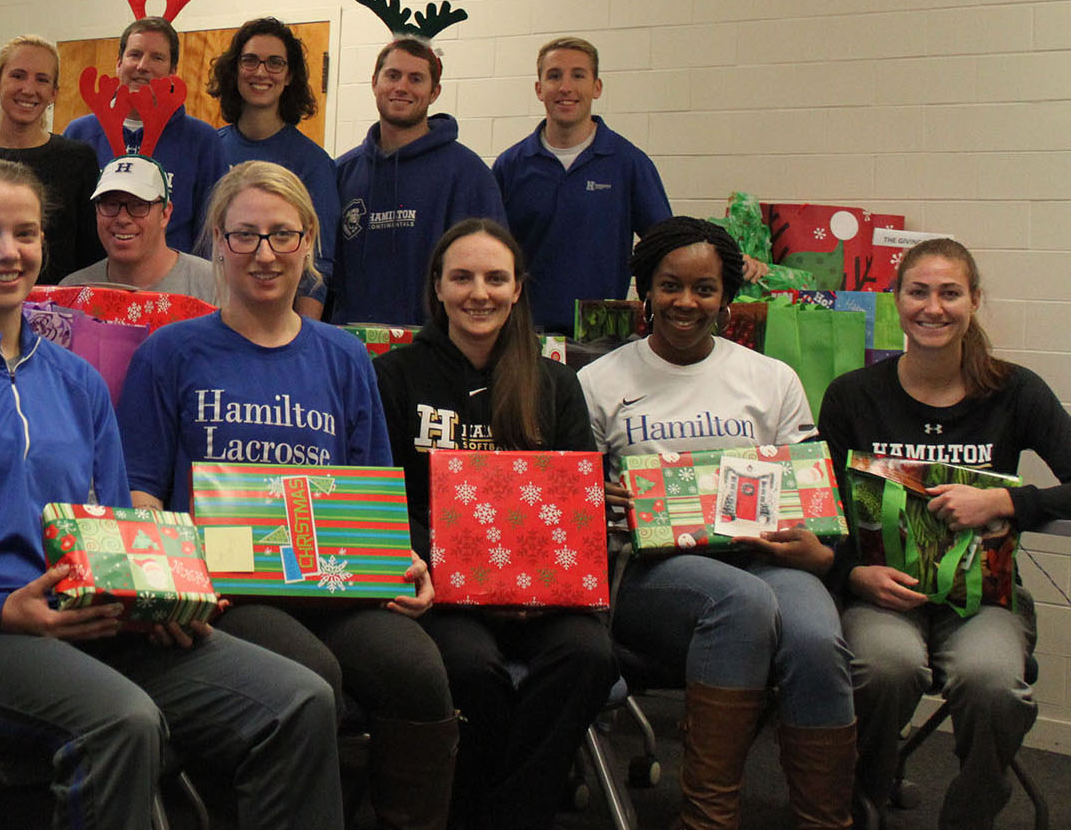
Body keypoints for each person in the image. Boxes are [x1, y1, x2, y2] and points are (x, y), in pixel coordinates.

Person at [0, 159, 342, 830]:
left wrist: (160, 593)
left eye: (26, 233)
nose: (9, 252)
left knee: (300, 699)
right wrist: (0, 610)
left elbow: (118, 525)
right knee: (123, 722)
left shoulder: (77, 380)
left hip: (94, 617)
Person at [116, 160, 448, 830]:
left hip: (334, 580)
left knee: (419, 669)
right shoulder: (171, 351)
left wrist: (400, 560)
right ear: (216, 242)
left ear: (309, 243)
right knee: (312, 677)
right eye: (244, 236)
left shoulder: (345, 356)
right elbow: (140, 492)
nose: (264, 254)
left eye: (282, 235)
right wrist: (172, 579)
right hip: (227, 588)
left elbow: (368, 490)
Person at [579, 216, 854, 829]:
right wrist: (602, 496)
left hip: (767, 556)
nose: (686, 302)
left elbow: (810, 490)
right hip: (649, 570)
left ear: (727, 296)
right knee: (743, 600)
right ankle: (707, 819)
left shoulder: (771, 379)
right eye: (670, 285)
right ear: (645, 289)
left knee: (814, 637)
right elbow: (573, 505)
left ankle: (827, 820)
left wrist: (816, 546)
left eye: (704, 288)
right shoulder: (598, 382)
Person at [372, 218, 616, 828]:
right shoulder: (396, 375)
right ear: (438, 287)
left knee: (589, 657)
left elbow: (570, 505)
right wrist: (449, 572)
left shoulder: (556, 383)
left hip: (544, 598)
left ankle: (507, 815)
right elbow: (386, 499)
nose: (479, 292)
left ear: (516, 290)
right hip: (445, 595)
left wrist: (533, 586)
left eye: (495, 278)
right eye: (462, 277)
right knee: (471, 672)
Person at [819, 238, 1071, 827]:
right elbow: (819, 509)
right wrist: (852, 572)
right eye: (919, 292)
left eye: (950, 293)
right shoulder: (853, 395)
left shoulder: (1015, 390)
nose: (934, 307)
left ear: (974, 301)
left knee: (993, 684)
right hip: (883, 592)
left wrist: (1006, 499)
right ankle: (864, 800)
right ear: (896, 300)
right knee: (884, 668)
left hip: (981, 598)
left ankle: (972, 812)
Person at [491, 37, 673, 331]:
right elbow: (488, 254)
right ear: (539, 89)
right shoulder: (510, 166)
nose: (565, 87)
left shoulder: (628, 164)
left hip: (604, 334)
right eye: (554, 76)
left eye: (578, 75)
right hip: (524, 335)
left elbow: (667, 245)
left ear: (596, 87)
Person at [331, 35, 503, 327]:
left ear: (434, 92)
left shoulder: (468, 174)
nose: (402, 87)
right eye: (393, 75)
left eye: (416, 79)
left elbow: (489, 274)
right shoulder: (342, 173)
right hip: (353, 350)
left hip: (434, 354)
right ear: (375, 82)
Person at [63, 17, 226, 254]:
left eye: (157, 57)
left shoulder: (203, 141)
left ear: (173, 71)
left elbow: (210, 232)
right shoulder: (79, 134)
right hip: (94, 281)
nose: (142, 66)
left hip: (174, 284)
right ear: (119, 63)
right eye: (135, 55)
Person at [209, 17, 336, 318]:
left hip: (278, 324)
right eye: (250, 61)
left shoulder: (313, 163)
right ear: (235, 69)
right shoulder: (209, 149)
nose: (261, 72)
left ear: (289, 75)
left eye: (275, 63)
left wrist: (303, 341)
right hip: (210, 314)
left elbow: (319, 264)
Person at [0, 34, 101, 284]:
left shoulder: (78, 159)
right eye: (18, 75)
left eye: (41, 80)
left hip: (59, 310)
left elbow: (91, 255)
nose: (29, 89)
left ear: (54, 93)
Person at [58, 155, 217, 302]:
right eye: (111, 205)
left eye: (138, 206)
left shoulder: (214, 286)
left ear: (165, 214)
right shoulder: (72, 291)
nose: (122, 219)